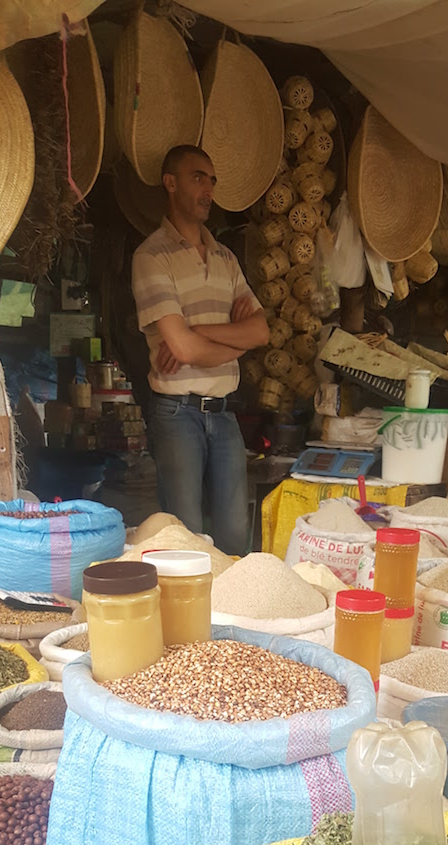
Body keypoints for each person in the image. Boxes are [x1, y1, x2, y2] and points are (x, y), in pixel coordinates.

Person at [132, 144, 269, 553]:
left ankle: (228, 616)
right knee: (183, 535)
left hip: (223, 412)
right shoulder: (152, 256)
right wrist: (233, 338)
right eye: (198, 177)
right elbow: (184, 350)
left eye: (211, 180)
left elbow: (260, 332)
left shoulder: (226, 258)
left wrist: (194, 328)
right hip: (177, 414)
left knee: (233, 534)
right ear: (170, 183)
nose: (208, 189)